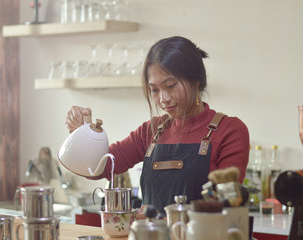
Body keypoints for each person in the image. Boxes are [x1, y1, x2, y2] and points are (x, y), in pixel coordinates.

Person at [65, 36, 250, 215]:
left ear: (196, 81)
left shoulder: (230, 131)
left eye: (170, 86)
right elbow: (102, 168)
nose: (163, 99)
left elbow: (227, 204)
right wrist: (82, 136)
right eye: (154, 90)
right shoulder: (151, 131)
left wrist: (167, 219)